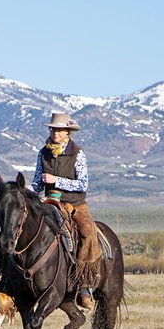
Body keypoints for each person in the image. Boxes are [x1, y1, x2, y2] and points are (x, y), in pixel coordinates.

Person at [29, 112, 102, 310]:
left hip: (75, 203)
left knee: (87, 232)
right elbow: (36, 183)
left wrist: (56, 181)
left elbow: (83, 184)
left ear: (67, 132)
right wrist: (26, 194)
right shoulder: (42, 152)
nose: (56, 133)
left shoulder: (77, 153)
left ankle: (84, 284)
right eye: (53, 129)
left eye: (60, 129)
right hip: (49, 201)